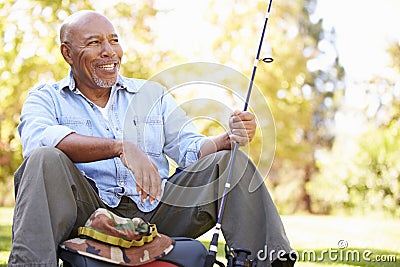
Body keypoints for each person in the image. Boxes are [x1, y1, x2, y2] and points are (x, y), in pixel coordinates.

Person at [8, 10, 295, 267]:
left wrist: (226, 139)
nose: (109, 51)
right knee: (44, 158)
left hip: (157, 212)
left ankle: (271, 263)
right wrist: (119, 148)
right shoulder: (45, 98)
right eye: (94, 42)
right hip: (88, 215)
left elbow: (189, 147)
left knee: (227, 162)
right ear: (67, 53)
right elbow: (39, 142)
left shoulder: (151, 94)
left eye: (114, 40)